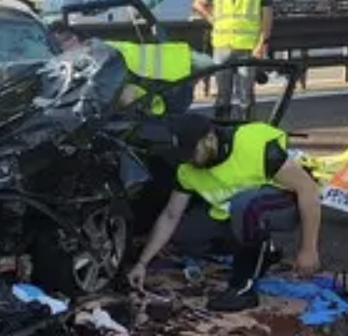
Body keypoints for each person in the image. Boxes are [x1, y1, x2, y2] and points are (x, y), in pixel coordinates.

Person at [127, 113, 322, 311]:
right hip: (236, 212)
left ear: (210, 138)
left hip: (284, 206)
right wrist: (142, 263)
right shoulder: (186, 168)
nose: (189, 161)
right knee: (185, 235)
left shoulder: (252, 145)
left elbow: (308, 189)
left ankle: (243, 287)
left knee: (246, 206)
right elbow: (171, 215)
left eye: (193, 152)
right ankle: (263, 251)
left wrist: (308, 249)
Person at [192, 0, 273, 120]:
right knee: (222, 95)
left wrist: (263, 42)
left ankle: (248, 132)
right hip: (222, 46)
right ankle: (222, 134)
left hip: (247, 48)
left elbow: (267, 15)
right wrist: (213, 19)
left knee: (246, 95)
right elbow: (198, 3)